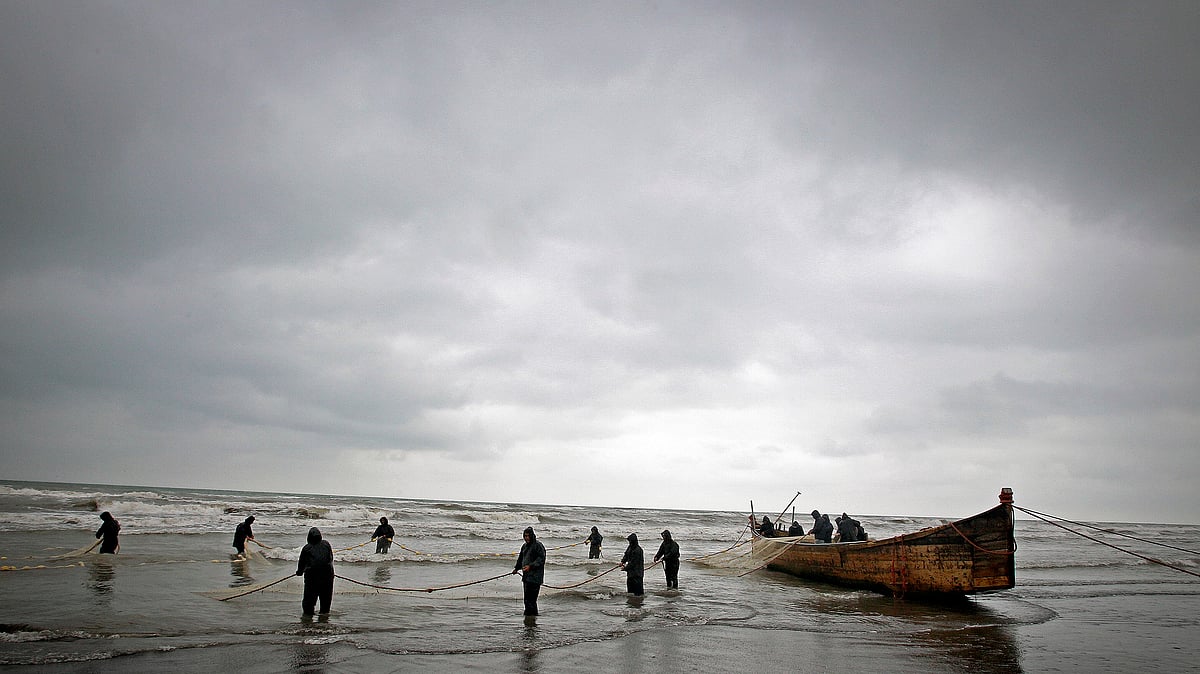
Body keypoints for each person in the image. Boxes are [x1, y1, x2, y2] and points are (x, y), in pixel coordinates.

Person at [296, 527, 335, 616]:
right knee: (326, 601)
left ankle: (308, 620)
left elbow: (301, 563)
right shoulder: (326, 544)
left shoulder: (307, 548)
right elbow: (330, 558)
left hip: (312, 577)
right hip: (328, 576)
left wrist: (299, 572)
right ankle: (324, 619)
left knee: (308, 603)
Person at [511, 526, 546, 616]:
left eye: (528, 536)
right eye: (525, 536)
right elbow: (521, 559)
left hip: (535, 578)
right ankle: (528, 617)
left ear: (532, 536)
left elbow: (541, 559)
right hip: (526, 577)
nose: (526, 538)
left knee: (532, 600)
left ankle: (532, 618)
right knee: (526, 600)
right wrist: (516, 568)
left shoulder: (538, 546)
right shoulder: (524, 546)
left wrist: (530, 566)